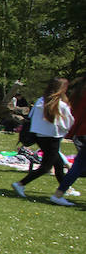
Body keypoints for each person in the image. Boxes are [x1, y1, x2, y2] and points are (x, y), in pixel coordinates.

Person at [12, 78, 74, 200]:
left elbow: (31, 117)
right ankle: (21, 184)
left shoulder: (40, 101)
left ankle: (64, 189)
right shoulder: (60, 105)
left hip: (40, 136)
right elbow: (69, 122)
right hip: (53, 137)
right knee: (46, 167)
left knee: (58, 163)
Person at [49, 75, 85, 206]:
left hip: (81, 132)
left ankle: (58, 194)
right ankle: (58, 194)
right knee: (78, 165)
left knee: (78, 165)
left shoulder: (79, 91)